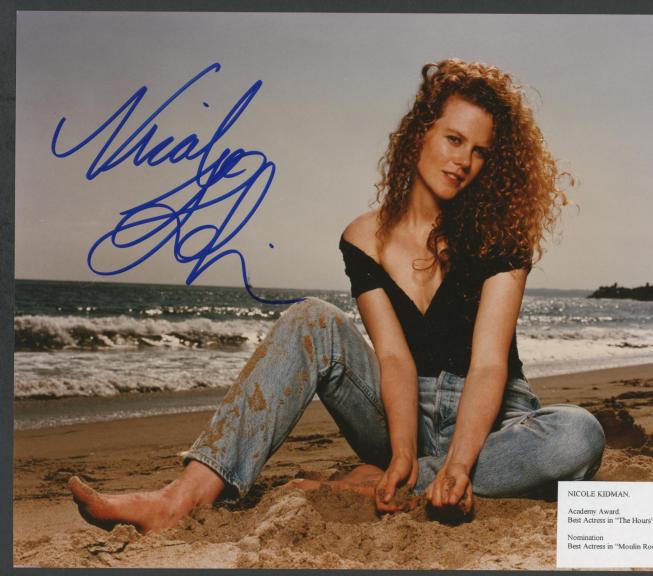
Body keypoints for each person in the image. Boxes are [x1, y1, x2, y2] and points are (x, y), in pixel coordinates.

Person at [68, 59, 605, 534]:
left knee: (577, 435)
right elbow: (393, 358)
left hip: (494, 425)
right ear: (421, 132)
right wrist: (401, 451)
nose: (464, 160)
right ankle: (182, 498)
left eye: (480, 151)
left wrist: (460, 464)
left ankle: (408, 479)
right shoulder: (363, 238)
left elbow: (489, 364)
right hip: (401, 415)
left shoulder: (500, 236)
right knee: (310, 318)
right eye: (454, 139)